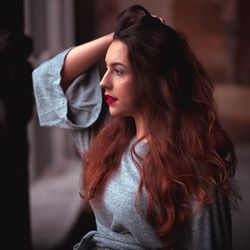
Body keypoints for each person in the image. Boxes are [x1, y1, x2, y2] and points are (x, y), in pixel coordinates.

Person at [32, 5, 239, 250]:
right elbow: (45, 78)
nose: (103, 82)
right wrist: (119, 36)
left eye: (118, 71)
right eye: (106, 68)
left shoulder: (195, 162)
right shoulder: (105, 139)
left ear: (153, 79)